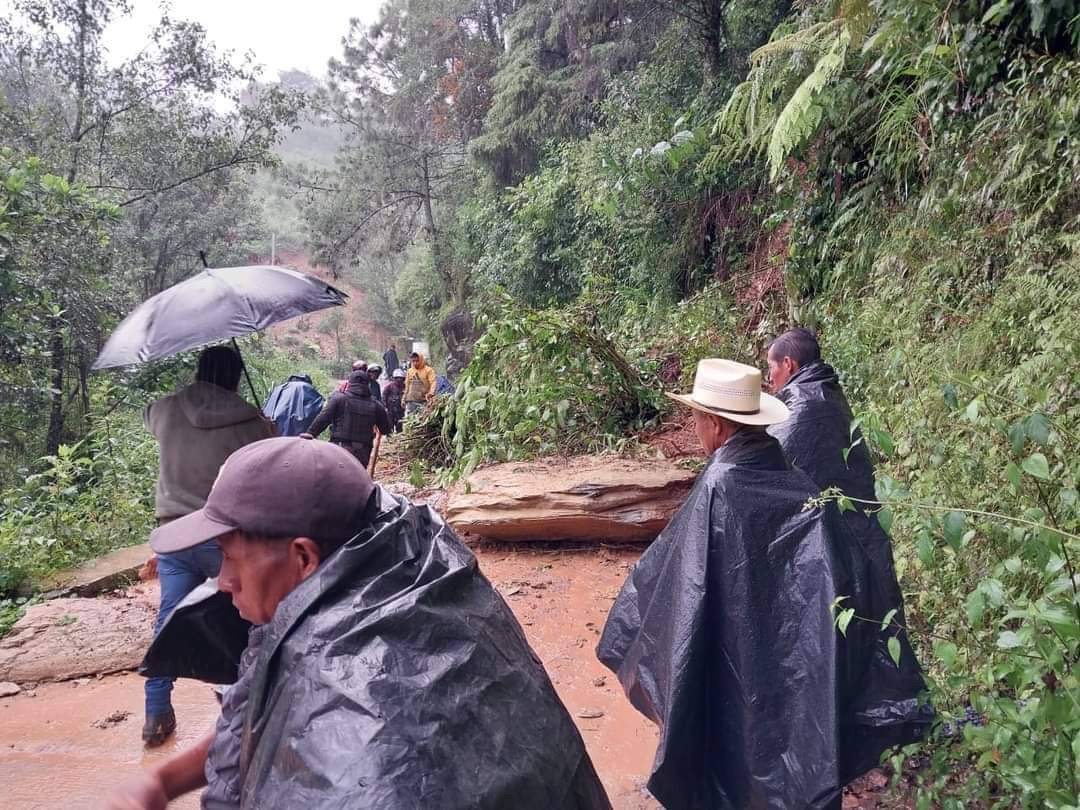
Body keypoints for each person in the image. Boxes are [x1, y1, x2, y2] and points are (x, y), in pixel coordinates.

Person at [105, 436, 611, 810]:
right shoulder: (394, 572)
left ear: (303, 557)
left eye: (230, 557)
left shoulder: (344, 687)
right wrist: (164, 780)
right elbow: (260, 719)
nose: (223, 582)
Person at [597, 359, 928, 810]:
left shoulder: (721, 484)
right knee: (787, 762)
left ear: (715, 425)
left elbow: (678, 587)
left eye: (696, 418)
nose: (695, 428)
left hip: (739, 664)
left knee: (734, 755)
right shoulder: (794, 477)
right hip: (794, 671)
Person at [141, 345, 274, 746]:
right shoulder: (250, 420)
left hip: (174, 535)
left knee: (169, 617)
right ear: (235, 378)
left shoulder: (166, 409)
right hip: (223, 535)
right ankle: (241, 712)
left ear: (198, 372)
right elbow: (268, 456)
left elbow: (148, 416)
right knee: (239, 619)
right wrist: (267, 426)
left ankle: (156, 712)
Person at [303, 368, 391, 467]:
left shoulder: (338, 399)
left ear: (349, 383)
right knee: (357, 475)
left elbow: (323, 418)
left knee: (335, 474)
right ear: (368, 384)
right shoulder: (376, 405)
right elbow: (385, 429)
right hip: (362, 452)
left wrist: (310, 433)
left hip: (340, 448)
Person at [402, 351, 436, 417]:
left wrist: (431, 393)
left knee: (423, 418)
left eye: (417, 361)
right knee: (411, 419)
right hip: (411, 401)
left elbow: (433, 382)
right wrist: (403, 398)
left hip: (423, 401)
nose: (415, 363)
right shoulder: (410, 371)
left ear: (421, 360)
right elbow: (407, 386)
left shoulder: (428, 370)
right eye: (413, 361)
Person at [383, 368, 406, 433]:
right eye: (397, 378)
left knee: (399, 426)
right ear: (394, 378)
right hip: (390, 409)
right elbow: (384, 396)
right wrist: (385, 406)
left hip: (400, 410)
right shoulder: (389, 386)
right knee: (390, 426)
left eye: (400, 378)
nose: (399, 380)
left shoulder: (404, 387)